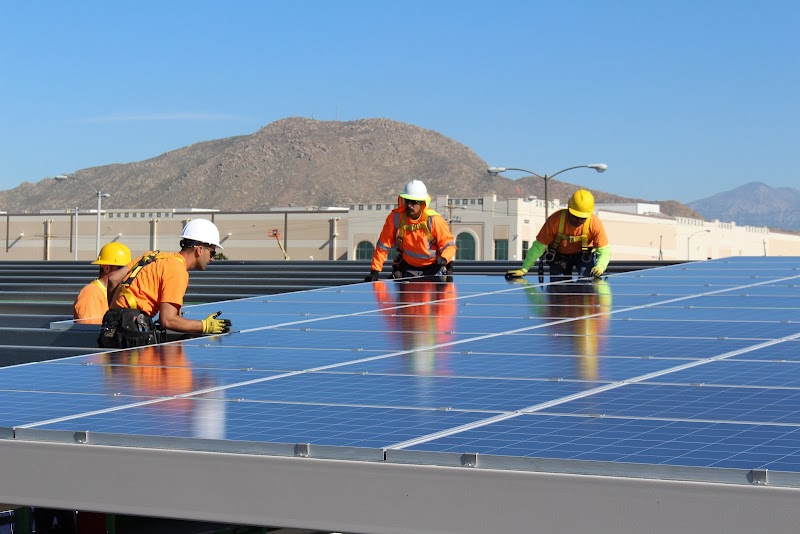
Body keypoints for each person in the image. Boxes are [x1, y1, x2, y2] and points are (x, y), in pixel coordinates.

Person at [99, 218, 232, 348]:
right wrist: (205, 326)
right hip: (132, 334)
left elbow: (113, 279)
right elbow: (167, 320)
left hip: (112, 325)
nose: (212, 258)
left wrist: (117, 313)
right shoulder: (177, 270)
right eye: (212, 252)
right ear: (199, 250)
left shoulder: (153, 256)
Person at [506, 189, 611, 280]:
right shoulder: (555, 220)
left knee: (587, 283)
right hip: (560, 257)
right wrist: (524, 269)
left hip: (584, 257)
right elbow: (538, 247)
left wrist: (600, 267)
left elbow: (604, 251)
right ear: (568, 208)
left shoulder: (595, 223)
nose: (578, 220)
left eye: (582, 218)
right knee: (558, 288)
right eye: (575, 215)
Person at [364, 179, 456, 281]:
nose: (409, 205)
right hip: (408, 269)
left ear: (422, 203)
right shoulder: (395, 218)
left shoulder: (434, 220)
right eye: (407, 201)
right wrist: (374, 272)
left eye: (414, 202)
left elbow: (449, 246)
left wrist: (444, 258)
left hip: (434, 269)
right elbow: (383, 246)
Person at [73, 242, 132, 324]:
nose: (125, 273)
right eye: (121, 269)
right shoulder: (91, 293)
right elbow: (89, 329)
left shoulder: (120, 292)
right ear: (106, 268)